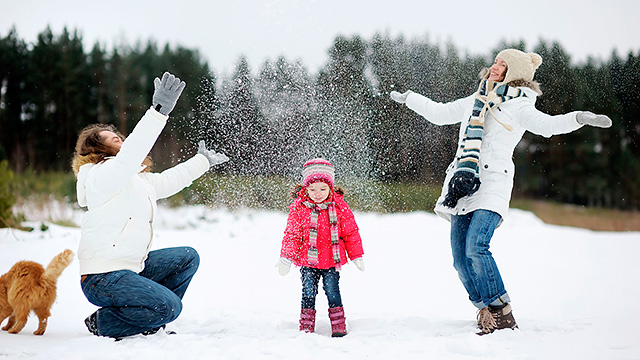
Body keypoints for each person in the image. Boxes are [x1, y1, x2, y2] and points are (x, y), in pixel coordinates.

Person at [390, 49, 612, 335]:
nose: (494, 67)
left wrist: (579, 117)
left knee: (476, 247)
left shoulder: (519, 106)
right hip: (463, 183)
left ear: (515, 73)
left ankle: (501, 311)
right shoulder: (477, 99)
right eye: (495, 61)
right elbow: (442, 113)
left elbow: (547, 126)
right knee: (460, 260)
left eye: (502, 64)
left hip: (493, 182)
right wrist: (410, 98)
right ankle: (484, 309)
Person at [71, 72, 229, 339]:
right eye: (109, 138)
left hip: (131, 268)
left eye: (116, 134)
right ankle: (107, 322)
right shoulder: (99, 177)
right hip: (103, 277)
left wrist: (201, 162)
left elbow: (167, 181)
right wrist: (158, 112)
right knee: (171, 306)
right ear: (97, 149)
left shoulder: (135, 180)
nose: (117, 137)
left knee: (187, 257)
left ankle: (150, 319)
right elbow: (129, 156)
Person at [276, 158, 365, 337]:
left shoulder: (340, 207)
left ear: (330, 188)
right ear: (305, 188)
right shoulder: (299, 208)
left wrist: (357, 256)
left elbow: (351, 233)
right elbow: (292, 235)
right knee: (308, 291)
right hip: (307, 261)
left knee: (333, 291)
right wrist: (286, 258)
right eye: (312, 189)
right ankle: (306, 326)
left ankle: (338, 324)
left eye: (323, 189)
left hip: (331, 261)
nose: (318, 194)